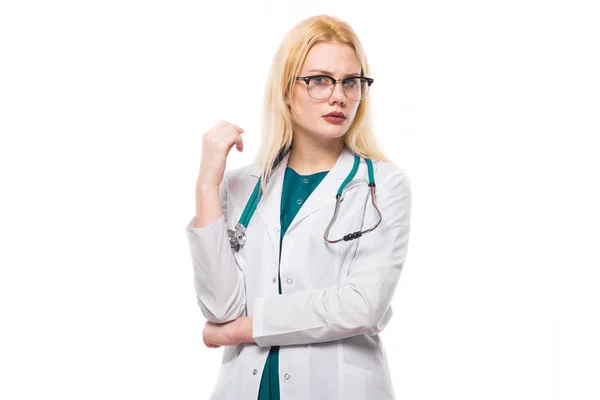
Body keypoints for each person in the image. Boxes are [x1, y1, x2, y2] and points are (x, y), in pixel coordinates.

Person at [185, 14, 412, 400]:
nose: (339, 96)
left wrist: (242, 330)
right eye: (320, 80)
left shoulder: (382, 184)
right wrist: (207, 185)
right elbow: (220, 308)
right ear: (286, 90)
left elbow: (362, 306)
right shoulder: (242, 186)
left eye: (350, 82)